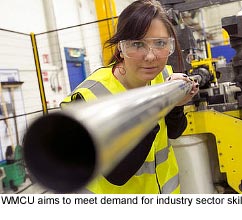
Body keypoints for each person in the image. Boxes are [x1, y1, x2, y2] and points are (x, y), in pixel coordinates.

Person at [61, 0, 199, 194]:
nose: (150, 57)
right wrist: (150, 110)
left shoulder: (162, 76)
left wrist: (176, 104)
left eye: (160, 43)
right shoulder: (89, 98)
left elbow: (174, 132)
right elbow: (117, 174)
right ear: (120, 48)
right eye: (137, 44)